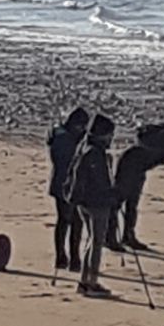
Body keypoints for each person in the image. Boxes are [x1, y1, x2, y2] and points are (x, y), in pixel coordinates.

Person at [66, 114, 119, 297]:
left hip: (84, 202)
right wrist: (113, 196)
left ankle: (85, 281)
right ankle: (91, 282)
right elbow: (102, 182)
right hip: (97, 203)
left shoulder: (84, 147)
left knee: (91, 240)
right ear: (102, 134)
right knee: (96, 242)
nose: (111, 138)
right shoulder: (96, 153)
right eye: (110, 135)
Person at [46, 107, 89, 271]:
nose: (83, 129)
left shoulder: (60, 135)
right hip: (68, 183)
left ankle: (67, 257)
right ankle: (68, 257)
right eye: (81, 126)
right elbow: (68, 161)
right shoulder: (64, 139)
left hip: (63, 183)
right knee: (70, 220)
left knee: (68, 221)